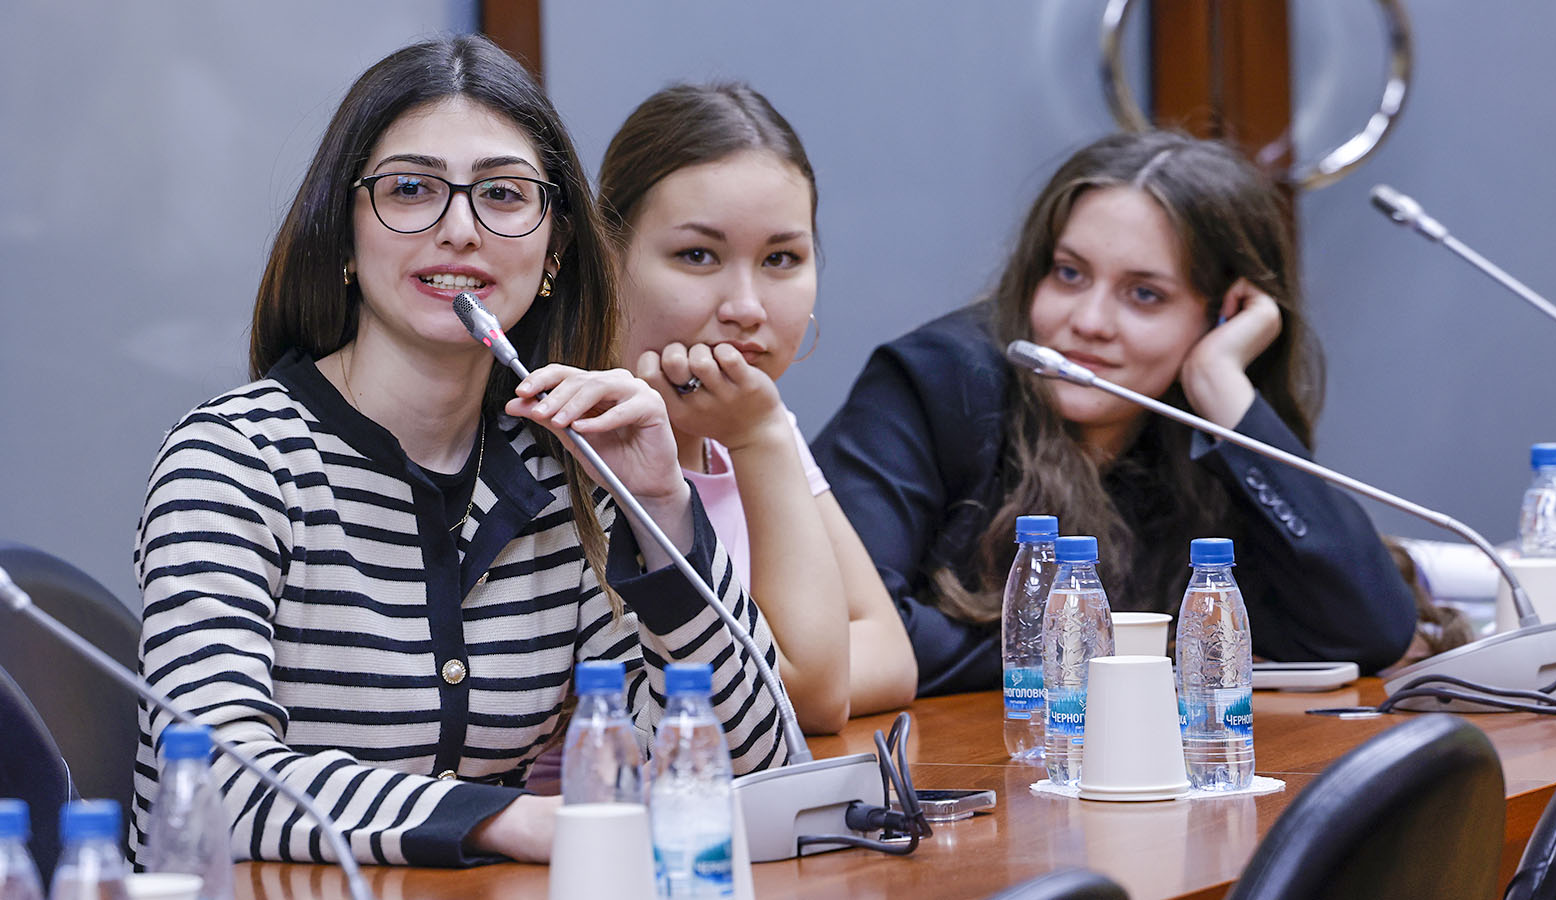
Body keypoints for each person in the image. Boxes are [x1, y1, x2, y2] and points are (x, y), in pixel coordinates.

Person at [129, 36, 789, 867]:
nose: (460, 230)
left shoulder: (557, 472)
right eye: (411, 189)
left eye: (503, 195)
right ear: (344, 233)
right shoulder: (232, 460)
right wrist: (507, 820)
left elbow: (750, 770)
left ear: (553, 251)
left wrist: (662, 512)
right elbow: (209, 785)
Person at [811, 130, 1418, 697]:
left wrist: (1222, 389)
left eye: (1144, 294)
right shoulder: (936, 379)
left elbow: (1370, 632)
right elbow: (841, 637)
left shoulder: (1191, 426)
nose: (1089, 321)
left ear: (1222, 316)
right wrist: (1111, 650)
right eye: (1069, 274)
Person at [597, 84, 916, 733]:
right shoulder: (585, 438)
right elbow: (814, 694)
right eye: (697, 255)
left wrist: (761, 436)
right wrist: (760, 438)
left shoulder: (750, 423)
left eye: (781, 259)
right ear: (608, 259)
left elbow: (890, 655)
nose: (746, 306)